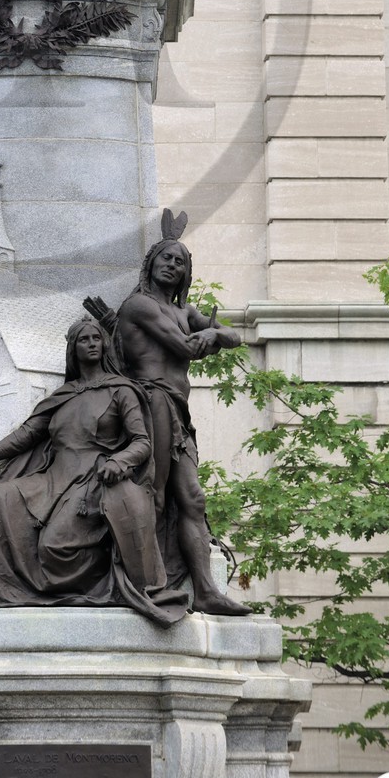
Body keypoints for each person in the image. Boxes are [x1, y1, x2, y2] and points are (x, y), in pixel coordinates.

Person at [0, 315, 184, 625]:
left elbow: (142, 443)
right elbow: (29, 432)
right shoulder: (63, 396)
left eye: (96, 338)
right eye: (83, 340)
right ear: (73, 349)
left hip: (93, 479)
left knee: (54, 546)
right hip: (54, 476)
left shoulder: (121, 390)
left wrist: (119, 461)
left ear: (104, 345)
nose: (91, 344)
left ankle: (89, 586)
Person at [116, 229, 249, 615]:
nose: (173, 265)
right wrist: (208, 333)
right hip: (151, 400)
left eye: (181, 262)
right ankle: (150, 583)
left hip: (178, 409)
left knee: (193, 498)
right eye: (167, 258)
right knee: (153, 495)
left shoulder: (183, 312)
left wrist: (212, 330)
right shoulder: (139, 306)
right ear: (151, 263)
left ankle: (205, 591)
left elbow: (235, 337)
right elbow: (186, 347)